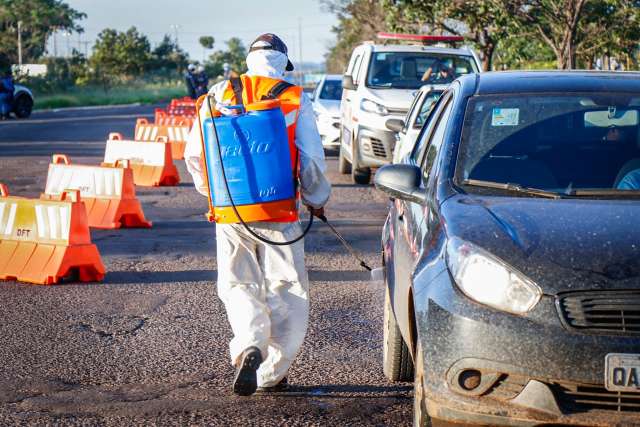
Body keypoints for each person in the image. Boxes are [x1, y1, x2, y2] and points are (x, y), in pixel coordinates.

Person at [184, 33, 331, 396]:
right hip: (278, 209)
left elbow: (195, 153)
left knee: (238, 284)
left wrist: (215, 194)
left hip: (230, 209)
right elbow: (310, 158)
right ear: (283, 63)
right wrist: (316, 198)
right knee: (287, 286)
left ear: (249, 59)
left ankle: (250, 344)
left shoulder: (217, 93)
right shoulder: (294, 96)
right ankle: (271, 373)